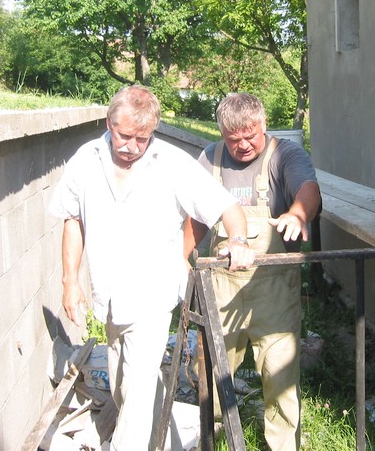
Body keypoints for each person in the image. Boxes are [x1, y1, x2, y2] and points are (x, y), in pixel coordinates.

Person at [49, 85, 254, 451]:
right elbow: (72, 220)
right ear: (109, 123)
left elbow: (226, 207)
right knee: (123, 386)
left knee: (138, 390)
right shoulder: (86, 159)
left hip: (153, 294)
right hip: (109, 296)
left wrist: (238, 240)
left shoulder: (172, 163)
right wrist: (70, 282)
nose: (132, 146)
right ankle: (161, 440)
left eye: (141, 139)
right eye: (124, 136)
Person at [183, 93, 321, 451]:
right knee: (211, 371)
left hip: (272, 288)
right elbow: (196, 218)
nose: (243, 145)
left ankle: (283, 446)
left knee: (280, 374)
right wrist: (181, 261)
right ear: (221, 133)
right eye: (234, 139)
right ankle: (210, 437)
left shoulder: (285, 155)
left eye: (250, 135)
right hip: (222, 287)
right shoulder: (209, 159)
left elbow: (308, 189)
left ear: (263, 125)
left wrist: (298, 215)